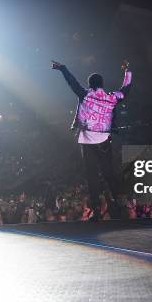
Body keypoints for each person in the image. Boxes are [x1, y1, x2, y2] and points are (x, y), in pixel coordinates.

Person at [52, 59, 132, 221]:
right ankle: (119, 204)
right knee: (108, 173)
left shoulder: (85, 94)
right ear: (102, 83)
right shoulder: (111, 98)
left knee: (92, 177)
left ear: (89, 84)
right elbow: (126, 90)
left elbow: (72, 82)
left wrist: (63, 68)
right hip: (104, 140)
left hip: (87, 142)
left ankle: (96, 209)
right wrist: (127, 72)